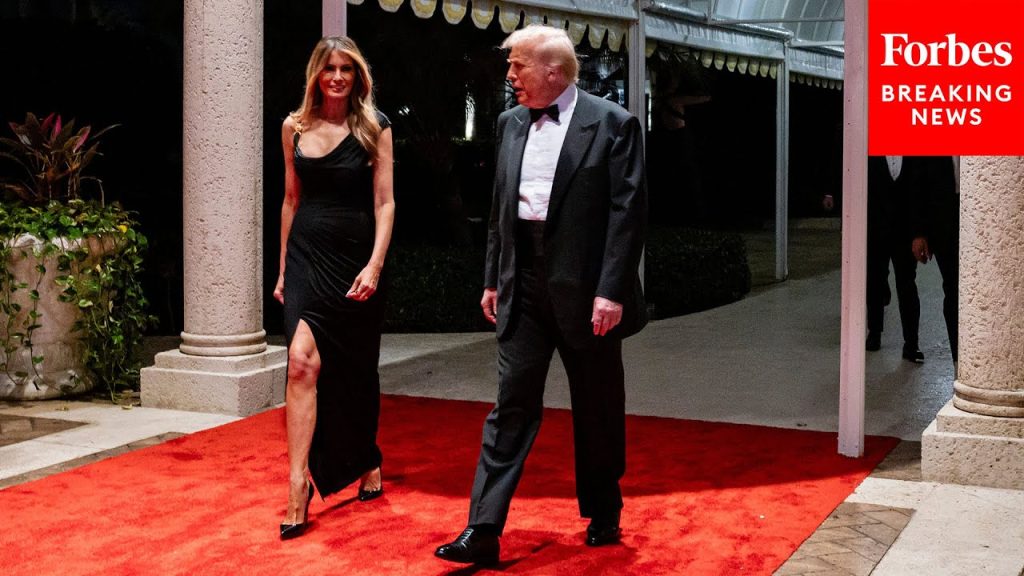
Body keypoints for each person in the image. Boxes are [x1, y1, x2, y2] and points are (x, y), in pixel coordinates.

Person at [434, 25, 648, 566]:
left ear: (553, 70)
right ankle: (483, 528)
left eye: (518, 65)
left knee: (597, 407)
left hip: (587, 289)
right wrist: (493, 277)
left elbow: (627, 215)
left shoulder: (614, 124)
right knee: (511, 404)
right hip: (523, 282)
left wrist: (611, 291)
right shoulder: (509, 123)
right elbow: (500, 210)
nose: (509, 75)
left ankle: (604, 509)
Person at [274, 36, 395, 540]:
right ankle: (297, 483)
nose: (338, 77)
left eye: (346, 68)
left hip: (355, 260)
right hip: (306, 256)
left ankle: (365, 456)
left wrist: (375, 266)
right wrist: (283, 269)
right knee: (301, 361)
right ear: (316, 76)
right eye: (330, 68)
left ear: (357, 76)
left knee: (354, 370)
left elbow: (385, 203)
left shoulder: (374, 127)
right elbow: (290, 200)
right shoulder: (294, 127)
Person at [866, 155, 923, 362]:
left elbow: (919, 192)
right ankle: (874, 332)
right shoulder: (868, 150)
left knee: (907, 285)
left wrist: (919, 233)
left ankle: (912, 343)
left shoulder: (914, 151)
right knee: (874, 282)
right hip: (875, 231)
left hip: (905, 233)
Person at [910, 156, 959, 363]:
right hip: (943, 224)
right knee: (953, 288)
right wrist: (919, 233)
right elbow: (919, 183)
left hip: (981, 219)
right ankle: (958, 357)